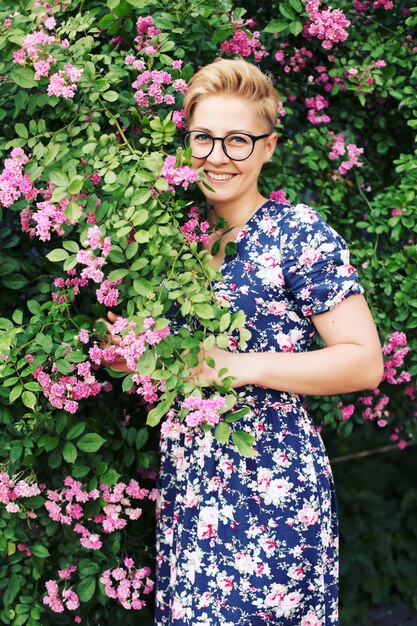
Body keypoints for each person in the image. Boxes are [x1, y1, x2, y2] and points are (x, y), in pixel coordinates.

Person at [105, 59, 384, 625]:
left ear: (268, 147)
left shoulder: (296, 232)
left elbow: (364, 364)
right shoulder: (175, 238)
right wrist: (130, 357)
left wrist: (233, 365)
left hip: (271, 492)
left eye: (238, 139)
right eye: (203, 137)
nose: (217, 155)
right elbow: (180, 368)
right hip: (191, 488)